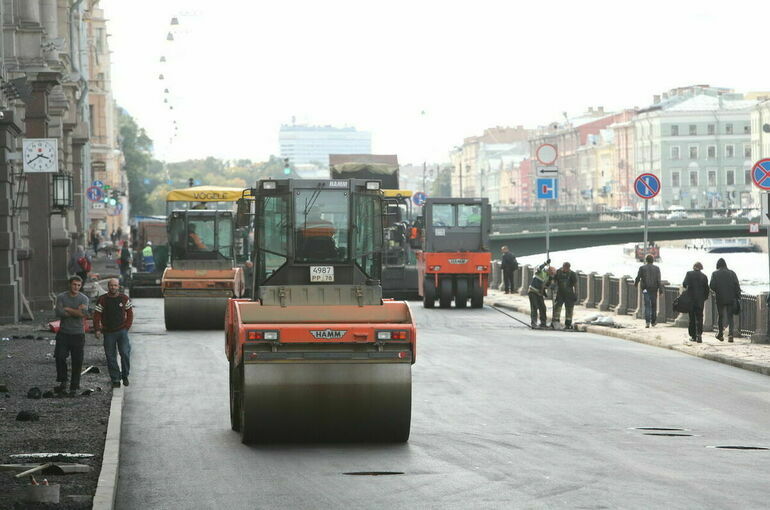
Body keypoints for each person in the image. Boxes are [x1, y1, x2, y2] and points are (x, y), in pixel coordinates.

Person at [93, 278, 134, 388]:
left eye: (115, 285)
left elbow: (130, 314)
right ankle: (115, 378)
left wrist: (127, 327)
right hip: (108, 332)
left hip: (122, 331)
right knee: (110, 357)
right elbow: (97, 315)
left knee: (125, 353)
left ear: (118, 286)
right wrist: (97, 329)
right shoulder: (102, 299)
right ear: (108, 286)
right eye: (111, 285)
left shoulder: (124, 298)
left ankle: (125, 375)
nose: (113, 287)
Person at [54, 276, 89, 396]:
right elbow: (59, 313)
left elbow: (83, 314)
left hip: (78, 334)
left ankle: (74, 386)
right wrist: (76, 311)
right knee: (59, 357)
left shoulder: (84, 298)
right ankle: (63, 381)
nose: (76, 287)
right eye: (74, 284)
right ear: (70, 284)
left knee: (77, 361)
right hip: (63, 333)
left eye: (79, 285)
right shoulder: (61, 297)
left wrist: (68, 308)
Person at [710, 258, 741, 342]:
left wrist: (718, 290)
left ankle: (720, 334)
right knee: (730, 317)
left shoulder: (715, 273)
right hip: (731, 298)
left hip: (720, 298)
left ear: (718, 265)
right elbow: (737, 286)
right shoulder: (732, 273)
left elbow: (712, 286)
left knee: (720, 316)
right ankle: (731, 335)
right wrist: (738, 296)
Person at [682, 261, 709, 343]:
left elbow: (684, 284)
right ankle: (699, 335)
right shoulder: (704, 276)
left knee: (692, 318)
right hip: (700, 301)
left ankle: (693, 336)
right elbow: (707, 289)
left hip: (691, 300)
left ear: (694, 267)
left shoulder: (689, 274)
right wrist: (704, 298)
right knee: (700, 318)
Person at [634, 253, 662, 328]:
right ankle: (653, 322)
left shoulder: (642, 268)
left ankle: (647, 322)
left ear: (646, 260)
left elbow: (638, 277)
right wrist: (661, 290)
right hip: (654, 289)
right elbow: (659, 280)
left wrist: (636, 284)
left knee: (647, 306)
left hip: (645, 289)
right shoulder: (657, 268)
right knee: (653, 305)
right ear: (653, 260)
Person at [528, 260, 555, 328]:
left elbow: (546, 286)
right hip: (533, 291)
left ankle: (543, 323)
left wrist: (551, 279)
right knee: (534, 307)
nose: (552, 274)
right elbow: (539, 267)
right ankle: (533, 323)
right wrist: (545, 263)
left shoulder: (548, 276)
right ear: (548, 270)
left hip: (539, 293)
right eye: (551, 273)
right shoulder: (540, 272)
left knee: (543, 308)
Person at [552, 262, 578, 329]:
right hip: (560, 293)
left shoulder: (572, 274)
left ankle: (568, 324)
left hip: (569, 294)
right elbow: (554, 280)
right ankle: (556, 322)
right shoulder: (558, 272)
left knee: (569, 309)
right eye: (565, 268)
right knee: (557, 307)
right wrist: (553, 285)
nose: (566, 269)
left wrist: (576, 294)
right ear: (563, 267)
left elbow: (575, 285)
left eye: (567, 268)